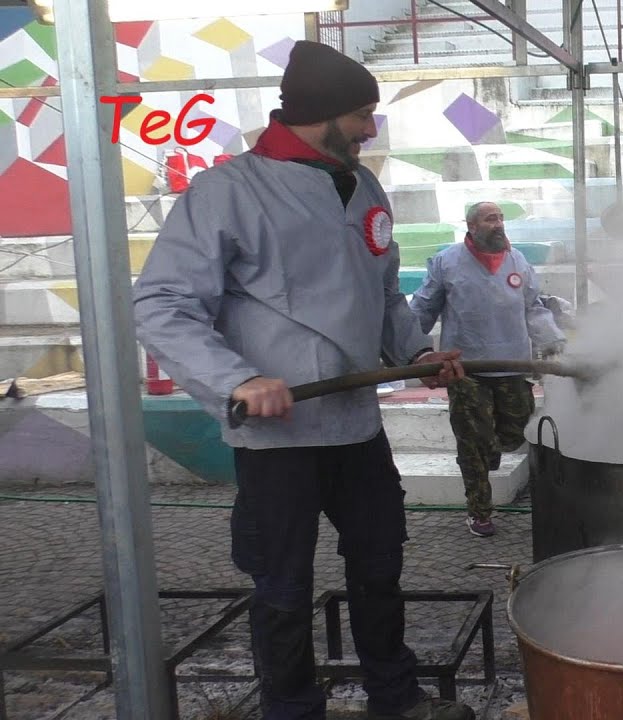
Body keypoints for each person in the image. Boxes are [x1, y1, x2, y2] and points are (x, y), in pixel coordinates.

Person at [133, 40, 476, 720]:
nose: (371, 129)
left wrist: (417, 352)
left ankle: (395, 696)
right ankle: (290, 708)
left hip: (356, 426)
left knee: (379, 566)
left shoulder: (363, 185)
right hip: (278, 438)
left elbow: (384, 295)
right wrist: (237, 379)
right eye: (362, 115)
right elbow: (162, 305)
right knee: (283, 586)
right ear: (321, 114)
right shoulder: (229, 191)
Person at [410, 201, 566, 537]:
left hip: (512, 364)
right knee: (472, 441)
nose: (498, 224)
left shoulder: (517, 260)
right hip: (467, 369)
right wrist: (410, 350)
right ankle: (479, 511)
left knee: (515, 431)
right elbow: (423, 307)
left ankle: (488, 448)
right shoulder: (447, 262)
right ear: (471, 226)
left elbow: (533, 307)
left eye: (500, 218)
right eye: (490, 219)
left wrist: (553, 341)